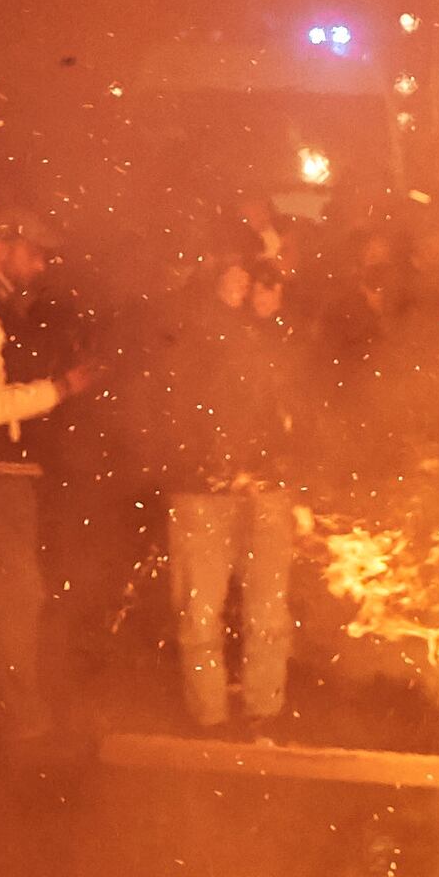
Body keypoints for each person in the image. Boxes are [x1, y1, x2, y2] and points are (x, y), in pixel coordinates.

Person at [0, 208, 100, 761]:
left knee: (2, 596)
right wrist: (60, 389)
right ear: (0, 245)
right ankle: (18, 717)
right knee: (14, 596)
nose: (40, 260)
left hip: (8, 476)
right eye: (31, 248)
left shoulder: (6, 308)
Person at [159, 219, 309, 732]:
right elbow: (182, 379)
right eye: (240, 270)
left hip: (265, 485)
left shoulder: (270, 327)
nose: (248, 283)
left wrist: (268, 315)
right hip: (202, 487)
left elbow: (290, 391)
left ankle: (263, 713)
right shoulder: (187, 316)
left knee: (268, 609)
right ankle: (208, 718)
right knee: (201, 610)